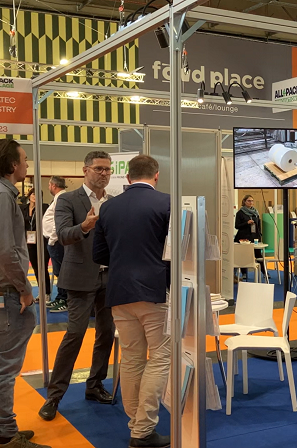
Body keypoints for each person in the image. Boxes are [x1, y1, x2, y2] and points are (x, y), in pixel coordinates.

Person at [93, 155, 171, 448]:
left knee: (132, 358)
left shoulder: (108, 207)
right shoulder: (167, 203)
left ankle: (136, 425)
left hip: (119, 291)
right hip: (154, 292)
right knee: (160, 357)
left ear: (127, 177)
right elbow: (177, 250)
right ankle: (143, 429)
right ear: (156, 175)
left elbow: (99, 254)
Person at [39, 151, 116, 422]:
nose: (104, 174)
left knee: (106, 333)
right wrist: (84, 226)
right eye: (98, 169)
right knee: (74, 334)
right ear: (85, 170)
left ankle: (95, 385)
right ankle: (54, 396)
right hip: (80, 278)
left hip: (109, 278)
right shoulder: (68, 199)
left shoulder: (113, 202)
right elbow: (61, 235)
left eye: (107, 169)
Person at [0, 139, 51, 448]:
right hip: (8, 294)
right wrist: (24, 289)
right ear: (12, 165)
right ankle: (6, 434)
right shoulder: (3, 196)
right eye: (24, 159)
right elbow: (6, 251)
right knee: (6, 368)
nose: (27, 164)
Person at [41, 177, 68, 311]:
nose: (48, 188)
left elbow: (57, 221)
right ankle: (60, 297)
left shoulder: (61, 198)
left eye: (49, 185)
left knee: (61, 271)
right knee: (58, 271)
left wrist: (52, 239)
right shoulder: (59, 198)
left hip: (56, 241)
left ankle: (64, 299)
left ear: (53, 185)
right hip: (54, 240)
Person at [21, 189, 51, 302]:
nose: (35, 196)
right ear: (29, 195)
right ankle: (41, 292)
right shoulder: (22, 208)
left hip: (42, 241)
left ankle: (46, 293)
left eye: (38, 195)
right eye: (33, 194)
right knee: (35, 268)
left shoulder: (44, 207)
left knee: (43, 267)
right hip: (29, 242)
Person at [234, 195, 267, 280]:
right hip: (243, 238)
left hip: (254, 237)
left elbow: (258, 225)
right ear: (244, 201)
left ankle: (264, 272)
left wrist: (259, 235)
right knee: (244, 255)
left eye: (252, 201)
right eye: (249, 201)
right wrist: (247, 223)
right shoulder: (240, 213)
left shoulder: (255, 212)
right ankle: (244, 273)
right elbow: (237, 226)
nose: (251, 202)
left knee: (258, 254)